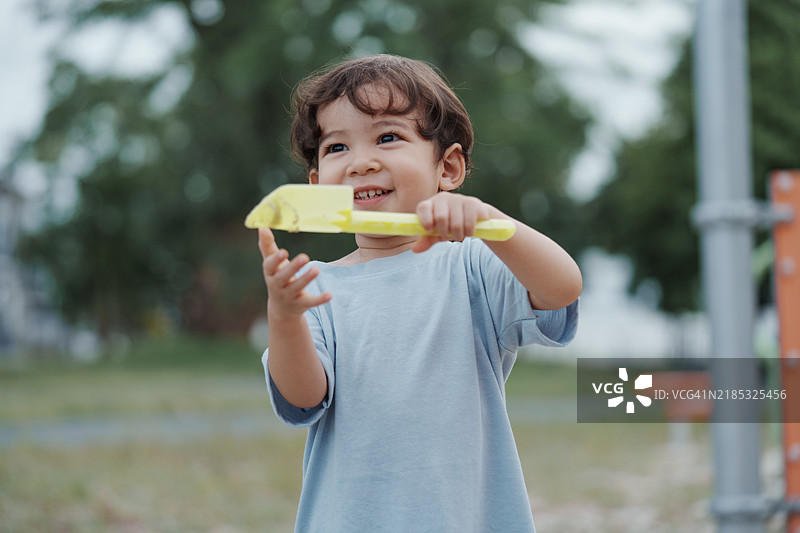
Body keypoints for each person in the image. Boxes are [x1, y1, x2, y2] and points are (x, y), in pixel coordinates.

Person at [258, 54, 581, 532]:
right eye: (336, 148)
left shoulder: (471, 264)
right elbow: (303, 399)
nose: (360, 162)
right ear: (315, 186)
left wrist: (493, 224)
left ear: (448, 168)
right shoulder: (315, 287)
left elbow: (561, 288)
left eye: (388, 137)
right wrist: (284, 316)